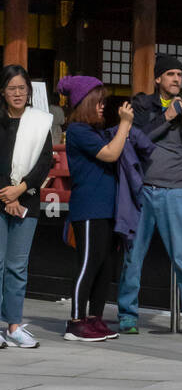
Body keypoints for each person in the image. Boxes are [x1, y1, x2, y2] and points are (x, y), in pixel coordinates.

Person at [117, 55, 182, 337]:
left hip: (174, 192)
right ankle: (127, 314)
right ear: (158, 78)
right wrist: (166, 117)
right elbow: (135, 138)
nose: (176, 79)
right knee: (134, 256)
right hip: (143, 189)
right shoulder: (143, 106)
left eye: (180, 75)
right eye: (170, 74)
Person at [60, 75, 133, 342]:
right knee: (88, 264)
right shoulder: (79, 131)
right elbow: (111, 154)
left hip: (106, 209)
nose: (103, 106)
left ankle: (95, 318)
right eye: (98, 101)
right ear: (85, 103)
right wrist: (125, 124)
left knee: (104, 267)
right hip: (89, 209)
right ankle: (76, 322)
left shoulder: (94, 131)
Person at [0, 66, 53, 348]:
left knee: (17, 267)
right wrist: (6, 196)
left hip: (27, 200)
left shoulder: (39, 122)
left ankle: (14, 325)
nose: (18, 93)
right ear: (3, 92)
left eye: (22, 88)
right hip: (0, 199)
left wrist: (20, 190)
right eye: (12, 88)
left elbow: (44, 161)